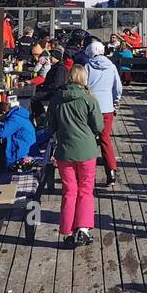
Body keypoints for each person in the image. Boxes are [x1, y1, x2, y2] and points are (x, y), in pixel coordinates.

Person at [47, 65, 104, 248]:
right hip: (86, 150)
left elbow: (50, 127)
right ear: (83, 79)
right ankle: (83, 228)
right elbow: (99, 127)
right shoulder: (89, 100)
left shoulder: (57, 99)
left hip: (65, 151)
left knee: (69, 192)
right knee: (86, 190)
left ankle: (67, 232)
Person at [84, 40, 121, 186]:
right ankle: (111, 171)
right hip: (107, 108)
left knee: (89, 139)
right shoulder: (111, 66)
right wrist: (115, 102)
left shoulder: (87, 66)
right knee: (105, 139)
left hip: (90, 107)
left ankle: (88, 171)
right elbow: (118, 88)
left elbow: (84, 85)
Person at [0, 99, 37, 167]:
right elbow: (7, 125)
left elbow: (2, 133)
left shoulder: (15, 118)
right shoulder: (17, 114)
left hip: (22, 150)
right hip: (27, 145)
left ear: (3, 112)